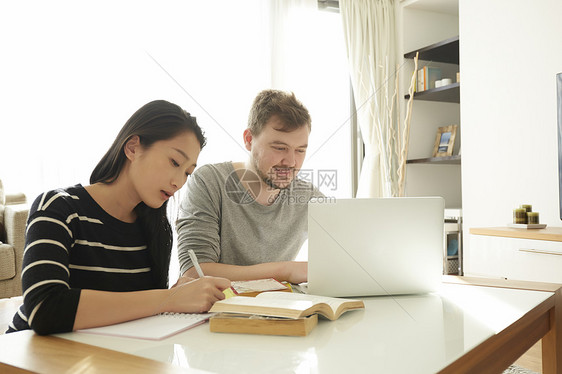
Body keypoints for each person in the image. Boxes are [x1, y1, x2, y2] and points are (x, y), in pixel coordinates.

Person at [6, 100, 230, 335]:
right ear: (133, 147)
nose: (179, 182)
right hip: (28, 359)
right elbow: (44, 308)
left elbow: (143, 313)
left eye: (187, 172)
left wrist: (179, 297)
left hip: (102, 357)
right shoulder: (58, 207)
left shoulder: (156, 229)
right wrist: (170, 298)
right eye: (174, 162)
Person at [177, 89, 323, 284]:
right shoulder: (210, 182)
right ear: (248, 139)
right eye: (279, 148)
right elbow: (194, 273)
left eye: (300, 150)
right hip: (216, 310)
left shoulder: (308, 197)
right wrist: (285, 271)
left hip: (279, 310)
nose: (290, 161)